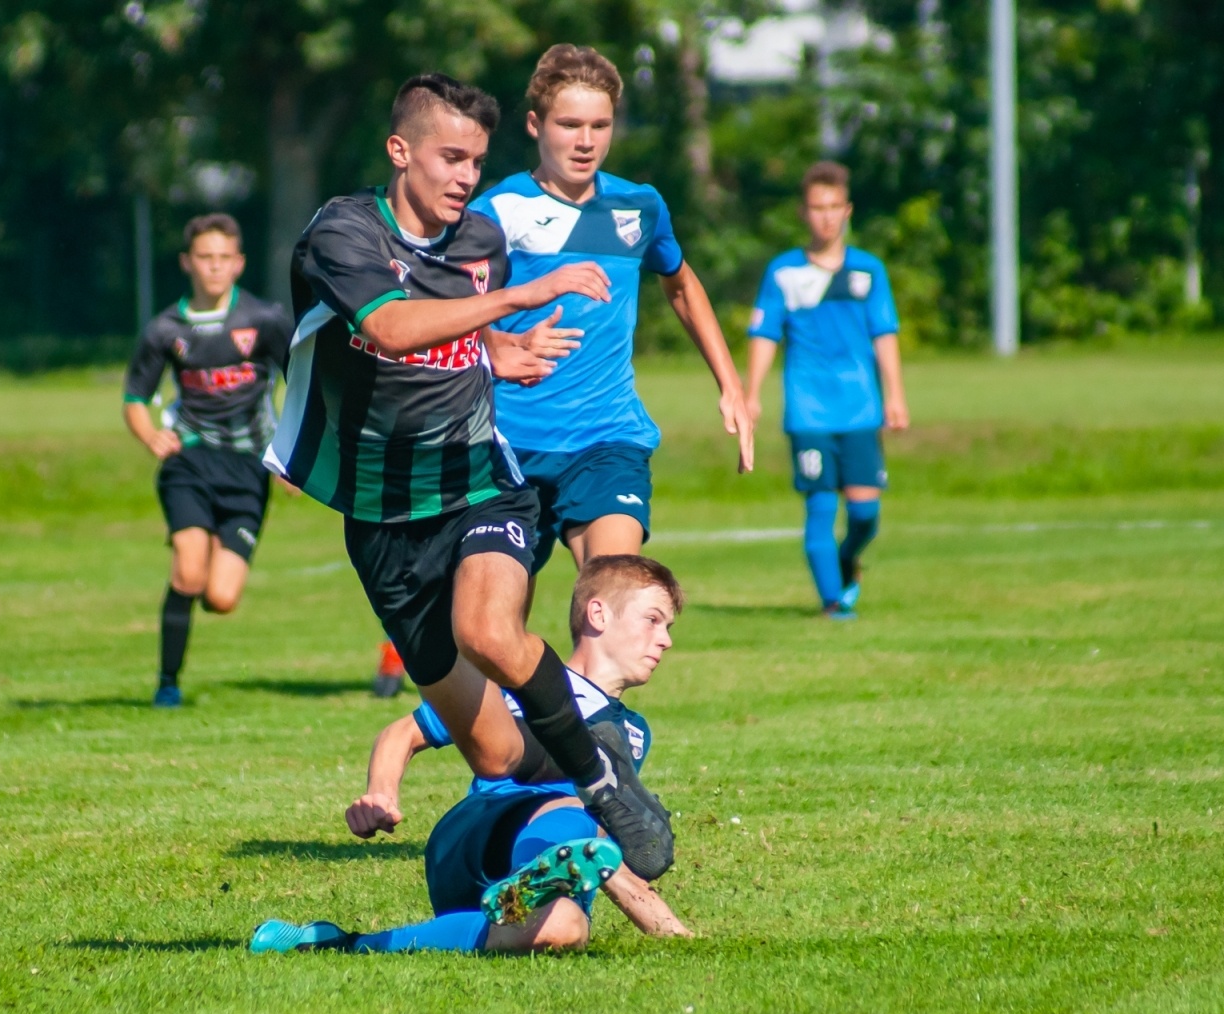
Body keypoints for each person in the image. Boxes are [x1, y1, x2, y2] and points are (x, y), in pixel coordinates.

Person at [263, 72, 674, 880]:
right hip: (381, 520)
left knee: (489, 631)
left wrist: (495, 355)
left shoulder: (478, 242)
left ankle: (600, 780)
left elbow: (449, 334)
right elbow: (389, 325)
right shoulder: (343, 233)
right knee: (492, 751)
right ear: (399, 150)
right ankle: (578, 778)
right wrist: (514, 304)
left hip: (479, 481)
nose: (465, 179)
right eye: (450, 157)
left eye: (477, 163)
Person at [250, 555, 692, 955]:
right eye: (653, 620)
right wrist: (380, 795)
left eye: (668, 627)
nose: (665, 640)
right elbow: (403, 732)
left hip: (524, 876)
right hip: (478, 837)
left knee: (561, 933)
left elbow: (609, 834)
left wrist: (674, 933)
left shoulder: (633, 733)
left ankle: (343, 944)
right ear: (598, 613)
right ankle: (535, 878)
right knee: (576, 806)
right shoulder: (523, 683)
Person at [469, 44, 753, 578]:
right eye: (569, 124)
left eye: (600, 125)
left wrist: (730, 384)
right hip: (505, 441)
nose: (585, 141)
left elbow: (682, 285)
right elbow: (453, 310)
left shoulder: (639, 206)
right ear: (535, 124)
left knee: (616, 592)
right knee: (493, 633)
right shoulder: (496, 213)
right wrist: (495, 345)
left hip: (606, 438)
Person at [123, 214, 292, 707]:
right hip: (189, 463)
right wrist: (149, 435)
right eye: (204, 258)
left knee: (220, 598)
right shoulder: (164, 329)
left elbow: (301, 384)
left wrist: (295, 458)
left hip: (247, 469)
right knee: (188, 574)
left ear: (238, 264)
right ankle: (168, 682)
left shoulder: (265, 321)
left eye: (223, 258)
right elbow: (136, 397)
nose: (214, 267)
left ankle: (191, 593)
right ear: (187, 263)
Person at [744, 162, 910, 619]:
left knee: (864, 514)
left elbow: (885, 335)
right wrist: (751, 393)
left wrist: (895, 395)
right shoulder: (784, 273)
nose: (826, 216)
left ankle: (845, 563)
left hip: (861, 410)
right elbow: (764, 336)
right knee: (819, 508)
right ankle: (833, 603)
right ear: (804, 213)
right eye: (817, 208)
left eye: (835, 207)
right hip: (809, 412)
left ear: (848, 210)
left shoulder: (868, 272)